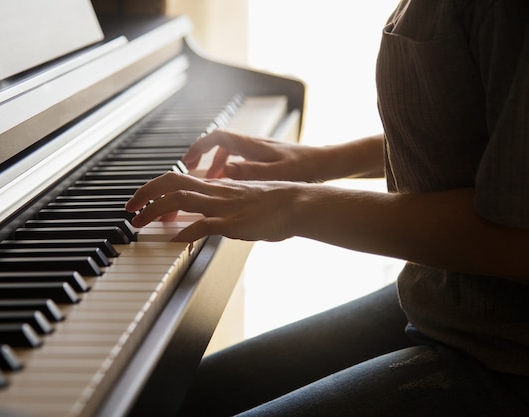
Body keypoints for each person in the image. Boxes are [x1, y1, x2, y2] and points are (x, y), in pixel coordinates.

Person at [125, 0, 529, 415]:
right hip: (448, 295)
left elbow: (517, 241)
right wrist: (322, 161)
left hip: (506, 352)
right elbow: (489, 131)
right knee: (175, 402)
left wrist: (296, 205)